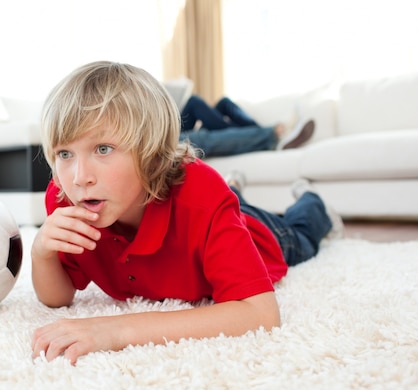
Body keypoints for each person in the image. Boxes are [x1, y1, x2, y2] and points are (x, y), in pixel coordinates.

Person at [30, 61, 343, 365]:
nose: (79, 176)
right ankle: (235, 187)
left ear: (152, 156)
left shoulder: (201, 196)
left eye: (103, 149)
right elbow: (58, 298)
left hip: (259, 233)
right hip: (215, 205)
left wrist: (115, 329)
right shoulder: (65, 198)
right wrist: (41, 251)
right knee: (228, 198)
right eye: (65, 154)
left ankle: (311, 198)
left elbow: (260, 313)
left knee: (300, 231)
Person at [178, 94, 316, 157]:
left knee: (217, 103)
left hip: (171, 132)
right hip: (170, 142)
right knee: (201, 138)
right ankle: (274, 135)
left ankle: (260, 132)